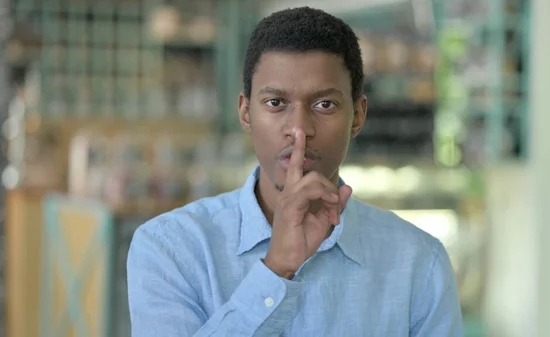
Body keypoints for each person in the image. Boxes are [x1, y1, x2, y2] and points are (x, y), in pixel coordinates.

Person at [127, 6, 463, 337]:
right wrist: (275, 270)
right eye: (275, 103)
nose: (299, 129)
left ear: (358, 116)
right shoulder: (171, 247)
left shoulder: (419, 262)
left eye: (325, 105)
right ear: (245, 112)